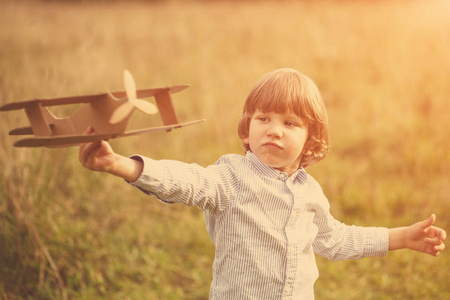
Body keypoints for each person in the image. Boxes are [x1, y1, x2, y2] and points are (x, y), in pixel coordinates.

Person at [79, 68, 446, 299]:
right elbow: (188, 181)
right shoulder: (230, 177)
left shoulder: (310, 192)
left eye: (290, 123)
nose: (273, 129)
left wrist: (400, 237)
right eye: (263, 117)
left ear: (311, 138)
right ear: (247, 127)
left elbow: (335, 239)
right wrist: (123, 165)